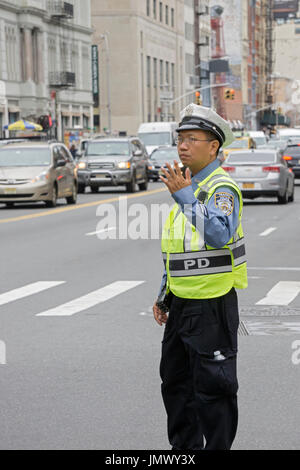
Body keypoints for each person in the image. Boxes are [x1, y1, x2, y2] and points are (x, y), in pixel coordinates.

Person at [153, 103, 248, 451]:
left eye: (193, 138)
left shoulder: (221, 189)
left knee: (214, 390)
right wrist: (165, 294)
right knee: (176, 386)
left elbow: (219, 234)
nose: (183, 145)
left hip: (212, 305)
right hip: (181, 304)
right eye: (180, 138)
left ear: (214, 147)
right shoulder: (187, 185)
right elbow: (178, 249)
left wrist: (184, 195)